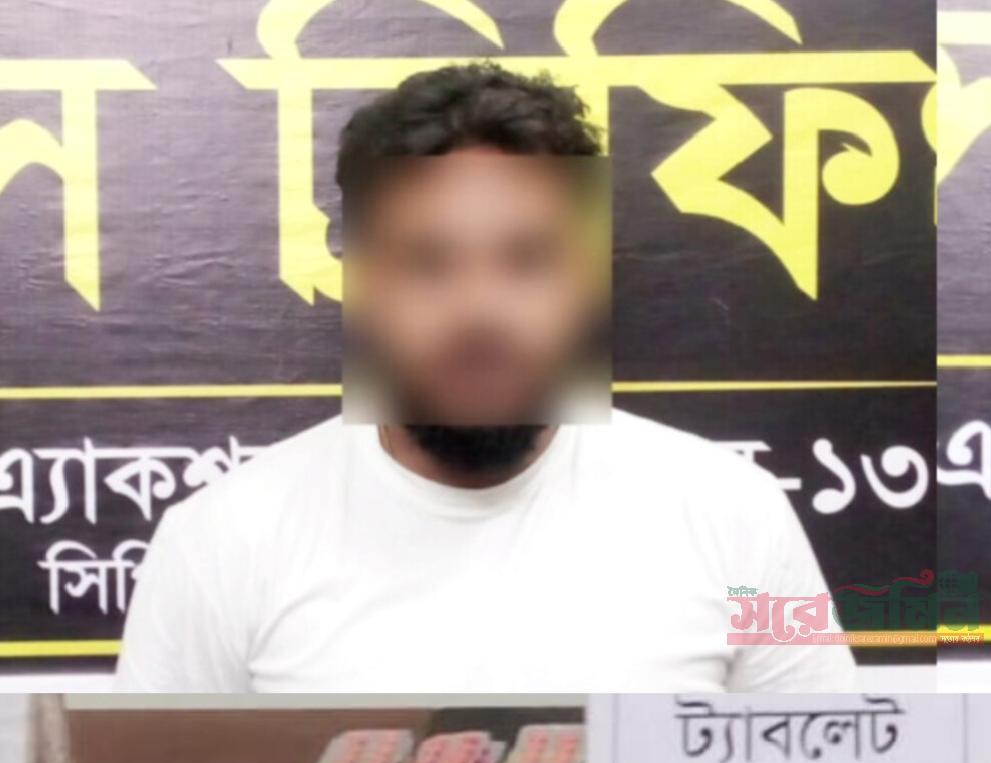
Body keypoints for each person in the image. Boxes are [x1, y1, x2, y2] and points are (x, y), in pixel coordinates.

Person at [117, 63, 856, 693]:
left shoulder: (738, 514)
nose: (480, 309)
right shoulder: (219, 541)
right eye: (428, 263)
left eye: (527, 260)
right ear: (362, 283)